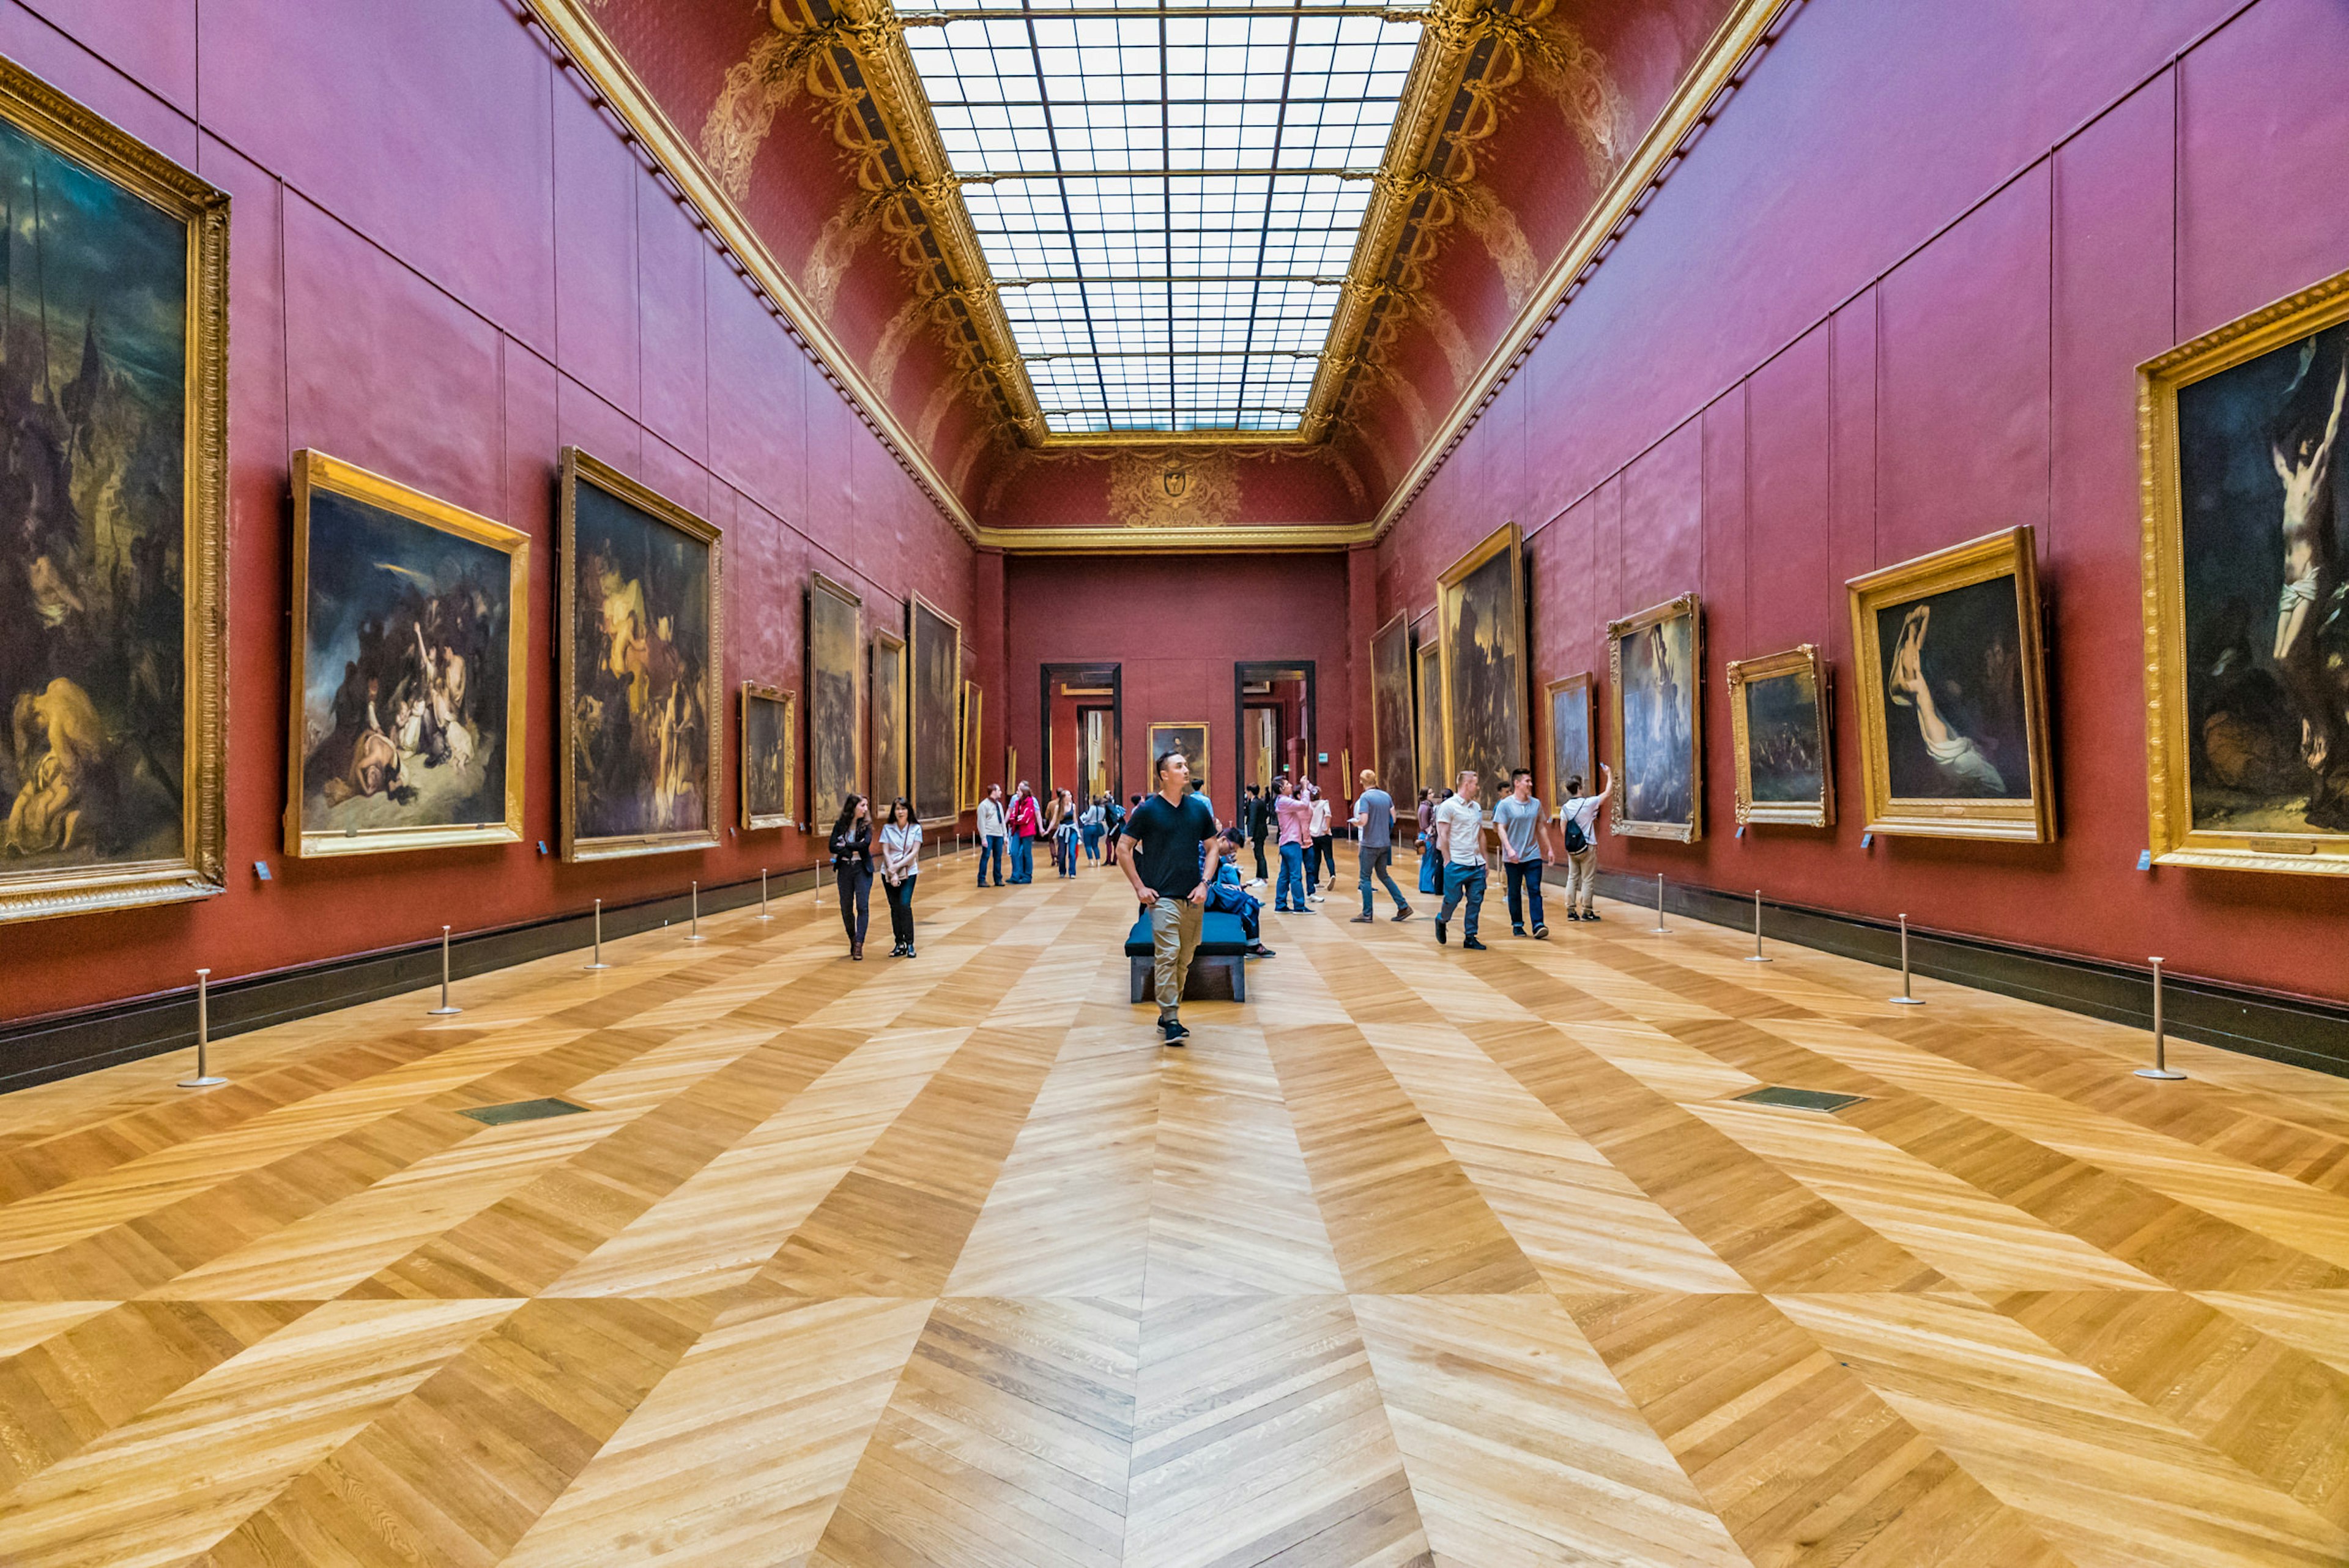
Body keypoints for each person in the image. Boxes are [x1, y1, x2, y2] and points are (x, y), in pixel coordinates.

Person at [1121, 750, 1220, 1044]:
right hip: (1161, 897)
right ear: (1164, 775)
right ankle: (1173, 1017)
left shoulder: (1198, 809)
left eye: (1186, 765)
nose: (1186, 770)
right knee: (1168, 955)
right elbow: (1123, 848)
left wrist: (1205, 883)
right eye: (1179, 766)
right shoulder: (1149, 811)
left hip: (1193, 896)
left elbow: (1213, 848)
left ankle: (1166, 1016)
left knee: (1185, 958)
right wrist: (1140, 887)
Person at [1494, 767, 1556, 939]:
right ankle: (1518, 924)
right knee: (1514, 891)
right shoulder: (1505, 805)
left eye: (1530, 781)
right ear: (1517, 783)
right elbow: (1501, 828)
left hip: (1532, 854)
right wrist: (1509, 849)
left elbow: (1541, 827)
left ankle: (1538, 924)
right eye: (1527, 781)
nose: (1531, 784)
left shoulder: (1535, 804)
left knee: (1534, 889)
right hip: (1513, 857)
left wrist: (1549, 848)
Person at [1347, 768, 1412, 924]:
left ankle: (1367, 913)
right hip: (1385, 843)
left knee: (1365, 878)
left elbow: (1364, 821)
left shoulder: (1365, 798)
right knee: (1383, 875)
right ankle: (1403, 906)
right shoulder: (1386, 796)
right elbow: (1394, 818)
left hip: (1370, 844)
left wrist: (1355, 822)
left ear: (1362, 782)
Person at [1432, 770, 1487, 950]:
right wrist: (1448, 859)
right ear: (1467, 785)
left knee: (1476, 900)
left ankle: (1470, 936)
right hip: (1457, 862)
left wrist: (1485, 860)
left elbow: (1480, 833)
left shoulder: (1476, 807)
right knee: (1453, 898)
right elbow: (1443, 834)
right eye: (1476, 784)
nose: (1478, 788)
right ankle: (1442, 919)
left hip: (1476, 863)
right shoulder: (1448, 806)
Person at [1205, 827, 1277, 958]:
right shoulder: (1206, 850)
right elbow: (1204, 881)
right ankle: (1253, 946)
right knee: (1249, 903)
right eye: (1232, 848)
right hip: (1206, 895)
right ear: (1224, 840)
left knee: (1250, 902)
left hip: (1212, 892)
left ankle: (1253, 945)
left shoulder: (1216, 855)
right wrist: (1226, 889)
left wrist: (1228, 888)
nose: (1230, 853)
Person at [1557, 763, 1612, 921]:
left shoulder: (1565, 808)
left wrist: (1570, 845)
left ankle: (1570, 911)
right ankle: (1587, 912)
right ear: (1580, 788)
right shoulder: (1588, 803)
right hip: (1588, 846)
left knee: (1572, 877)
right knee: (1587, 879)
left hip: (1572, 849)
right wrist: (1609, 775)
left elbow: (1563, 829)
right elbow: (1607, 793)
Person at [828, 792, 874, 960]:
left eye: (866, 806)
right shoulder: (840, 825)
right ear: (853, 807)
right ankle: (853, 939)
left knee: (863, 906)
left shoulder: (867, 825)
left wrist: (845, 845)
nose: (865, 809)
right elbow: (832, 845)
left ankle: (860, 944)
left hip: (862, 869)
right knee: (846, 908)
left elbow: (865, 845)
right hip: (845, 870)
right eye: (862, 805)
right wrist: (851, 848)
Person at [879, 797, 922, 957]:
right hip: (888, 872)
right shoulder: (887, 828)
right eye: (897, 809)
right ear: (894, 812)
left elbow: (914, 852)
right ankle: (899, 943)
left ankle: (910, 943)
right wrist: (892, 872)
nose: (901, 812)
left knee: (905, 905)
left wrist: (897, 868)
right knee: (895, 908)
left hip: (908, 872)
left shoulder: (916, 828)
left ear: (908, 810)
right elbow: (885, 851)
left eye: (903, 809)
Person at [1272, 778, 1312, 913]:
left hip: (1286, 843)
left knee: (1284, 875)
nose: (1290, 785)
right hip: (1292, 842)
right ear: (1281, 789)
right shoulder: (1284, 801)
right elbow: (1305, 805)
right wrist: (1305, 788)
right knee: (1296, 876)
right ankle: (1299, 906)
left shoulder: (1281, 801)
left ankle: (1281, 904)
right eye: (1287, 784)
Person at [1305, 782, 1334, 902]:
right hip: (1324, 834)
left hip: (1313, 835)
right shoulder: (1324, 803)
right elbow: (1328, 815)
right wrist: (1327, 828)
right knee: (1329, 856)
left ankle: (1316, 881)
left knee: (1316, 858)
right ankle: (1332, 874)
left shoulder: (1309, 805)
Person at [1006, 781, 1040, 882]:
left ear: (1024, 793)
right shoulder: (1016, 802)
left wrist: (1016, 819)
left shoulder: (1031, 802)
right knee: (1014, 852)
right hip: (1016, 830)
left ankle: (1027, 876)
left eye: (1019, 791)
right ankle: (1016, 875)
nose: (1017, 792)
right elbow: (1013, 815)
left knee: (1026, 853)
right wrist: (1016, 819)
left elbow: (1026, 818)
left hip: (1027, 832)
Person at [975, 782, 1007, 887]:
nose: (1001, 793)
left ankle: (998, 879)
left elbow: (1002, 820)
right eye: (999, 790)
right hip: (988, 834)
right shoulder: (983, 805)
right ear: (993, 792)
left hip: (998, 835)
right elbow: (981, 823)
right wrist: (983, 838)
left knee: (998, 857)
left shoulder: (999, 805)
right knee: (986, 856)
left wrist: (1005, 835)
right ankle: (981, 879)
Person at [1416, 788, 1442, 896]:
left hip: (1424, 836)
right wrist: (1432, 834)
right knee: (1430, 863)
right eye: (1430, 793)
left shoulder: (1423, 806)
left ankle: (1423, 885)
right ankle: (1427, 886)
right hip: (1428, 837)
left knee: (1426, 862)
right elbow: (1426, 825)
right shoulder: (1427, 807)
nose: (1433, 795)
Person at [1246, 784, 1273, 880]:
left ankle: (1264, 878)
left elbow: (1253, 819)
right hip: (1261, 831)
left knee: (1259, 855)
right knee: (1258, 854)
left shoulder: (1254, 804)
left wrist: (1250, 835)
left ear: (1250, 792)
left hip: (1257, 833)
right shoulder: (1260, 802)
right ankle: (1259, 877)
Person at [1055, 789, 1082, 877]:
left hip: (1072, 830)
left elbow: (1075, 819)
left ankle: (1072, 872)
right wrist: (1047, 830)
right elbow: (1055, 820)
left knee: (1072, 852)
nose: (1071, 797)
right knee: (1062, 853)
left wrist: (1078, 832)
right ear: (1064, 797)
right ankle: (1062, 871)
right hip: (1063, 831)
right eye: (1069, 795)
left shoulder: (1073, 806)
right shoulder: (1058, 807)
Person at [1081, 794, 1106, 863]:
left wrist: (1083, 817)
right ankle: (1098, 861)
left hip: (1089, 827)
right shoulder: (1103, 809)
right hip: (1097, 827)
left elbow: (1088, 817)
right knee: (1095, 845)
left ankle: (1091, 861)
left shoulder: (1092, 808)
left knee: (1088, 845)